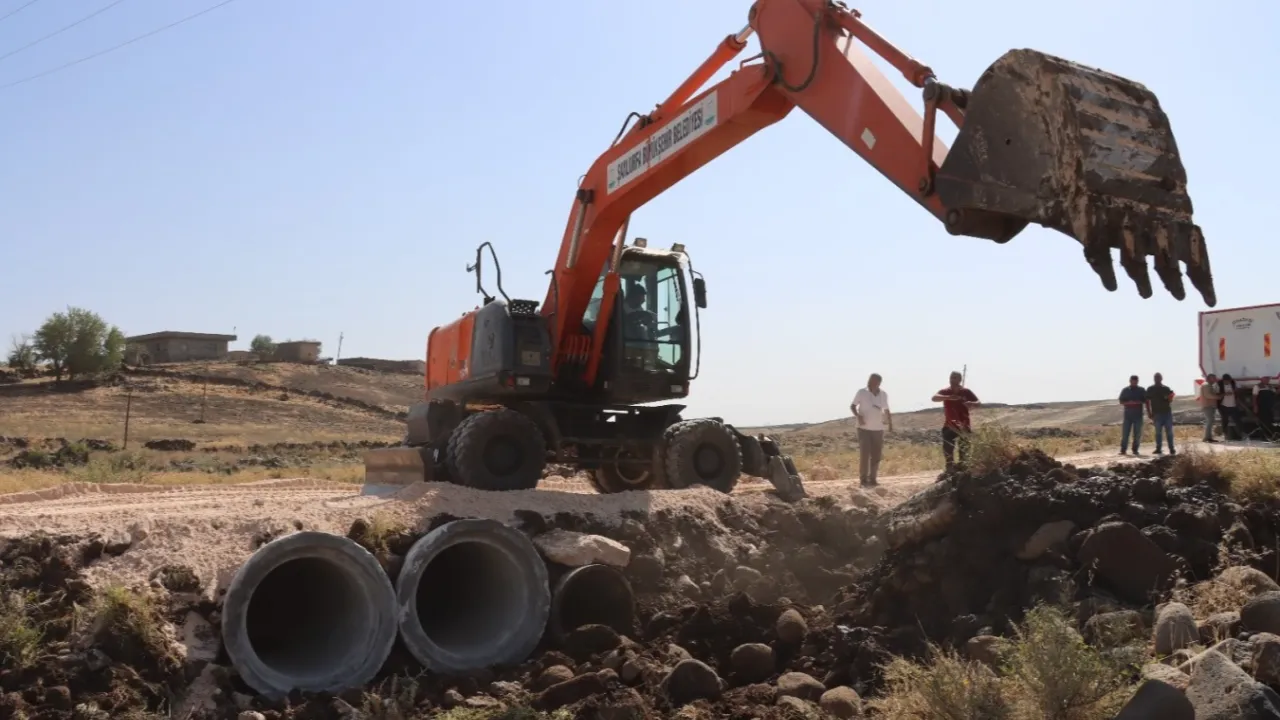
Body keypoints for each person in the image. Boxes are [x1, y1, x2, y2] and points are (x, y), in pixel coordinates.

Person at [932, 371, 980, 472]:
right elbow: (934, 398)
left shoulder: (966, 392)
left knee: (964, 449)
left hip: (964, 425)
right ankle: (950, 468)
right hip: (950, 425)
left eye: (954, 378)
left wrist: (971, 403)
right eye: (951, 377)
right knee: (948, 448)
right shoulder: (945, 391)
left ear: (960, 379)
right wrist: (949, 397)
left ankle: (964, 467)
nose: (952, 380)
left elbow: (978, 403)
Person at [850, 373, 892, 487]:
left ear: (878, 382)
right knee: (865, 454)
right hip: (863, 429)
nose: (870, 382)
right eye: (869, 380)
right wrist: (858, 416)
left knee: (876, 455)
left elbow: (886, 409)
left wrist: (890, 424)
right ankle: (863, 479)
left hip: (878, 429)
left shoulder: (883, 394)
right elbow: (852, 406)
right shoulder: (862, 392)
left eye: (873, 381)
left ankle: (873, 479)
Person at [1145, 372, 1177, 455]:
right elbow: (1147, 401)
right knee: (1158, 432)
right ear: (1154, 379)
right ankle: (1158, 448)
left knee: (1169, 432)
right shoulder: (1150, 389)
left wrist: (1170, 397)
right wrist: (1149, 412)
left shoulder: (1166, 388)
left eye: (1158, 377)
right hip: (1156, 413)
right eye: (1156, 377)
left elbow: (1170, 400)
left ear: (1161, 378)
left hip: (1167, 413)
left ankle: (1171, 448)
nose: (1157, 379)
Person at [1118, 375, 1147, 455]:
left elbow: (1146, 400)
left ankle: (1135, 449)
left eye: (1136, 382)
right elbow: (1121, 401)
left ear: (1138, 381)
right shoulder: (1125, 390)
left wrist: (1138, 402)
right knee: (1125, 433)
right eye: (1133, 381)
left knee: (1137, 434)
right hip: (1128, 415)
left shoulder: (1141, 390)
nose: (1134, 383)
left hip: (1138, 415)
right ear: (1130, 381)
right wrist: (1128, 402)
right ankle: (1123, 450)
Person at [1198, 373, 1220, 442]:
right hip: (1207, 406)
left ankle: (1208, 437)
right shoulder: (1206, 385)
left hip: (1209, 406)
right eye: (1214, 378)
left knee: (1210, 421)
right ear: (1210, 378)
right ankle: (1207, 437)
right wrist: (1218, 397)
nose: (1215, 379)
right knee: (1210, 421)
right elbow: (1208, 395)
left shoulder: (1209, 385)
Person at [1219, 374, 1240, 440]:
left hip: (1233, 405)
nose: (1227, 382)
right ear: (1223, 380)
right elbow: (1217, 394)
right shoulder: (1220, 385)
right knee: (1224, 421)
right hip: (1224, 406)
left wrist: (1235, 392)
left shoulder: (1233, 383)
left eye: (1229, 381)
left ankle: (1239, 435)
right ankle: (1225, 435)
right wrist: (1225, 394)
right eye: (1226, 381)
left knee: (1237, 420)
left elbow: (1238, 390)